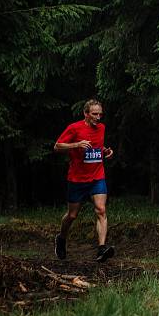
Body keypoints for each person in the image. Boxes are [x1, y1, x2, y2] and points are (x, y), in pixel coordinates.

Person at [53, 99, 115, 262]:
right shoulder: (74, 128)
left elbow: (96, 148)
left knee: (101, 210)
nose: (98, 117)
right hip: (77, 179)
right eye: (95, 114)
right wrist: (76, 144)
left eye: (100, 114)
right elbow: (57, 146)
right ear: (86, 114)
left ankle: (101, 249)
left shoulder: (101, 128)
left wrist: (105, 151)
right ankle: (61, 238)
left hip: (97, 176)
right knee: (72, 215)